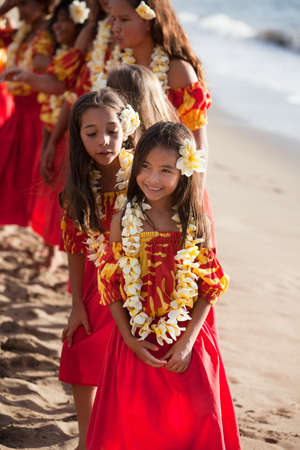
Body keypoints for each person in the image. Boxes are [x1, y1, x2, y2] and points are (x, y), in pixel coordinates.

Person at [87, 122, 241, 450]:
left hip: (186, 340)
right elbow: (110, 284)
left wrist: (187, 342)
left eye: (166, 170)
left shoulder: (196, 222)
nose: (152, 179)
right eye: (145, 166)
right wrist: (128, 337)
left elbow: (208, 288)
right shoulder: (123, 220)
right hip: (135, 341)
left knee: (196, 418)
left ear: (184, 171)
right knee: (136, 425)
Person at [59, 66, 178, 449]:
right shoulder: (78, 188)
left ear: (127, 128)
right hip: (96, 279)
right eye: (91, 134)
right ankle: (86, 438)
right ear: (78, 138)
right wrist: (77, 303)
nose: (104, 141)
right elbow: (77, 248)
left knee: (134, 357)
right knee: (80, 346)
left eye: (112, 130)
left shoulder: (142, 179)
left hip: (139, 280)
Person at [0, 0, 55, 226]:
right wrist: (6, 7)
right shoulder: (22, 33)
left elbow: (48, 68)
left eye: (23, 3)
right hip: (18, 111)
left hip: (42, 112)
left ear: (41, 5)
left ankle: (48, 248)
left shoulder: (54, 30)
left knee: (40, 178)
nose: (19, 9)